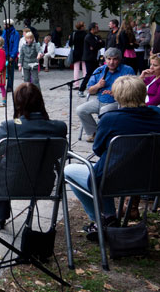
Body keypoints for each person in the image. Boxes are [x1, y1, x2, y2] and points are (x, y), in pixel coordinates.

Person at [65, 76, 160, 240]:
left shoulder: (111, 119)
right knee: (109, 168)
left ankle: (103, 218)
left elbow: (98, 149)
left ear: (117, 96)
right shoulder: (157, 115)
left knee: (70, 170)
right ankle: (108, 218)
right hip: (152, 180)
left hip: (115, 180)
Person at [0, 83, 67, 227]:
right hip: (45, 186)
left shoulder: (10, 126)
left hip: (9, 187)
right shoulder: (59, 127)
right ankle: (0, 213)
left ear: (17, 103)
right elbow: (59, 154)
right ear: (41, 101)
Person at [76, 48, 135, 142]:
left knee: (104, 110)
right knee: (80, 110)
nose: (111, 62)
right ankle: (94, 133)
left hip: (118, 102)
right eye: (109, 59)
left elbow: (132, 90)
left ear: (119, 60)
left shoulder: (127, 70)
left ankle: (103, 135)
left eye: (115, 59)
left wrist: (115, 93)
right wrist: (98, 85)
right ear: (105, 59)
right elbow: (90, 91)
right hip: (100, 100)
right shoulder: (99, 70)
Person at [78, 22, 105, 97]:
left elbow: (102, 43)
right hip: (89, 58)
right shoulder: (88, 36)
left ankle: (95, 89)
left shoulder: (96, 36)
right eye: (97, 27)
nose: (98, 29)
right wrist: (98, 44)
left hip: (95, 58)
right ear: (92, 29)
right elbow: (96, 45)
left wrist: (99, 43)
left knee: (97, 73)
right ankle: (81, 89)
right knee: (89, 74)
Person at [1, 19, 20, 92]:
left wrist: (12, 56)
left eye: (5, 24)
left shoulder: (16, 34)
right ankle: (1, 86)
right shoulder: (4, 32)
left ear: (9, 25)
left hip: (10, 54)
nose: (4, 25)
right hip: (4, 54)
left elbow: (15, 45)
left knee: (10, 72)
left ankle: (10, 86)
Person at [69, 22, 87, 88]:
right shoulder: (85, 34)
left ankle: (76, 84)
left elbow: (70, 44)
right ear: (82, 27)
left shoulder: (73, 34)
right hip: (84, 52)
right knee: (85, 69)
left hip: (76, 52)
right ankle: (85, 83)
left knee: (76, 69)